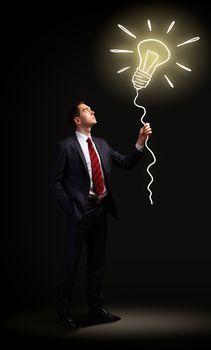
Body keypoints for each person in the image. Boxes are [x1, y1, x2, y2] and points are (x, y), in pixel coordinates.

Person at [49, 102, 152, 329]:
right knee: (71, 264)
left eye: (91, 109)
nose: (93, 111)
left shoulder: (102, 145)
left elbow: (125, 162)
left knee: (97, 263)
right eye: (87, 110)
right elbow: (54, 182)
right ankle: (64, 313)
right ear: (77, 119)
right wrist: (71, 207)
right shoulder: (65, 147)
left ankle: (96, 309)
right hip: (80, 212)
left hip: (100, 210)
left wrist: (140, 142)